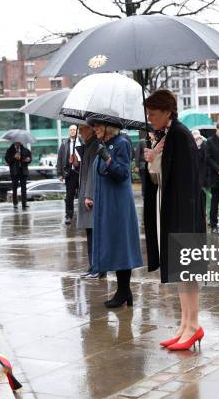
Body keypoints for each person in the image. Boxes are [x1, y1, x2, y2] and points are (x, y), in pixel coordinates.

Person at [143, 90, 206, 351]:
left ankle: (193, 325)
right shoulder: (168, 135)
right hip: (175, 210)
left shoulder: (179, 135)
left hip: (184, 212)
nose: (150, 118)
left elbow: (188, 177)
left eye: (153, 114)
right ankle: (185, 324)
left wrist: (157, 157)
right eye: (148, 113)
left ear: (168, 111)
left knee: (187, 271)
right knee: (181, 271)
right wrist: (154, 156)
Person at [85, 115, 142, 308]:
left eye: (97, 125)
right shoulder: (103, 144)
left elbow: (124, 173)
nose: (95, 129)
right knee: (114, 245)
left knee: (121, 246)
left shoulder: (121, 143)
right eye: (93, 126)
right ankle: (124, 292)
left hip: (118, 205)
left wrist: (108, 159)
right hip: (106, 204)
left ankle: (123, 292)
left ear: (109, 126)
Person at [76, 124, 105, 279]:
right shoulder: (88, 145)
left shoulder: (94, 145)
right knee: (90, 232)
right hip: (86, 194)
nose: (80, 132)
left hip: (90, 196)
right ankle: (93, 266)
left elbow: (93, 172)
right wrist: (75, 163)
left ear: (91, 129)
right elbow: (85, 169)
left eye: (82, 129)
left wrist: (89, 195)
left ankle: (98, 267)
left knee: (94, 233)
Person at [57, 125, 82, 224]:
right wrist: (60, 173)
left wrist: (78, 160)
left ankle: (83, 215)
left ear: (77, 131)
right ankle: (69, 215)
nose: (72, 131)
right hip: (70, 173)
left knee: (83, 194)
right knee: (69, 195)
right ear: (69, 132)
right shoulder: (64, 143)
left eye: (74, 130)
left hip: (81, 171)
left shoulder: (83, 141)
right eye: (71, 130)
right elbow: (59, 159)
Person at [5, 141, 32, 209]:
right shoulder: (10, 150)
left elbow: (30, 158)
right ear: (14, 142)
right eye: (16, 142)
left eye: (19, 142)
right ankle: (15, 203)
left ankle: (24, 203)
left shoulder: (25, 149)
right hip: (14, 171)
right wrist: (14, 157)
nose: (18, 144)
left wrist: (28, 160)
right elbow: (7, 160)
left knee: (24, 188)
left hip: (23, 171)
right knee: (14, 188)